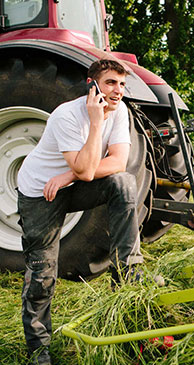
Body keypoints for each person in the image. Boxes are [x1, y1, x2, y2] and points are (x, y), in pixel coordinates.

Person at [16, 59, 143, 365]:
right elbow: (86, 170)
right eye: (111, 83)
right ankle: (38, 347)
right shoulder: (67, 115)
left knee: (123, 184)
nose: (118, 91)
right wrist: (96, 122)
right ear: (92, 85)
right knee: (42, 272)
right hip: (40, 192)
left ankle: (128, 273)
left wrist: (68, 176)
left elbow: (118, 163)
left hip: (69, 183)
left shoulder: (121, 111)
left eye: (122, 84)